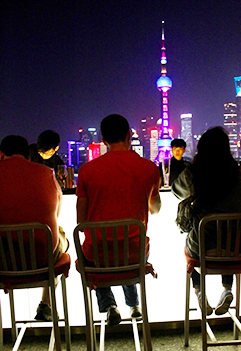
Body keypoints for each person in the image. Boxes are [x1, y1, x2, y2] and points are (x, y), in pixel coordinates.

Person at [76, 114, 161, 326]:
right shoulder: (149, 168)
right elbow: (156, 208)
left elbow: (81, 221)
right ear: (129, 135)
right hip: (134, 255)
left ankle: (109, 306)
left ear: (103, 139)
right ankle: (134, 306)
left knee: (96, 246)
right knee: (129, 245)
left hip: (98, 257)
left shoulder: (87, 171)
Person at [172, 127, 241, 316]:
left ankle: (199, 291)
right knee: (227, 235)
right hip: (238, 249)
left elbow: (176, 190)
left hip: (202, 250)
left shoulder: (194, 174)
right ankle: (227, 289)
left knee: (194, 238)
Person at [0, 135, 69, 321]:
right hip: (41, 258)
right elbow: (56, 213)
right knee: (60, 235)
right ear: (28, 156)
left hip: (2, 261)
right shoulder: (46, 173)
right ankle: (45, 303)